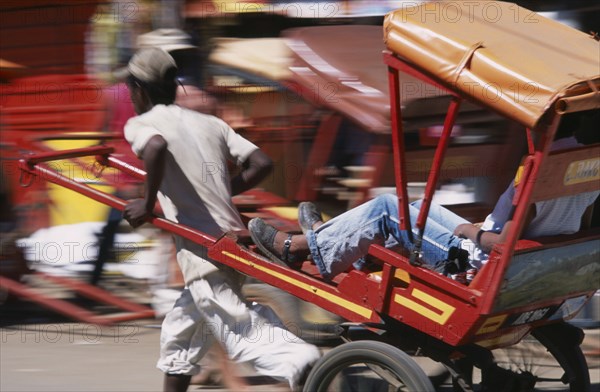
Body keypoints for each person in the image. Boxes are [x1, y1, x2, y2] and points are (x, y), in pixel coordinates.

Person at [120, 47, 319, 392]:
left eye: (131, 91)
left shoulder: (141, 123)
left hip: (204, 249)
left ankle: (301, 361)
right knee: (180, 333)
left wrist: (146, 203)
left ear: (139, 89)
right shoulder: (209, 122)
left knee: (237, 328)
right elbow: (262, 163)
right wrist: (224, 190)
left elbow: (154, 146)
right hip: (233, 238)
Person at [249, 119, 599, 281]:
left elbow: (505, 242)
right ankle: (339, 246)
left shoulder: (542, 169)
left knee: (387, 209)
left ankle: (300, 247)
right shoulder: (589, 167)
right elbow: (577, 227)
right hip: (524, 266)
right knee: (416, 208)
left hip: (473, 261)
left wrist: (468, 230)